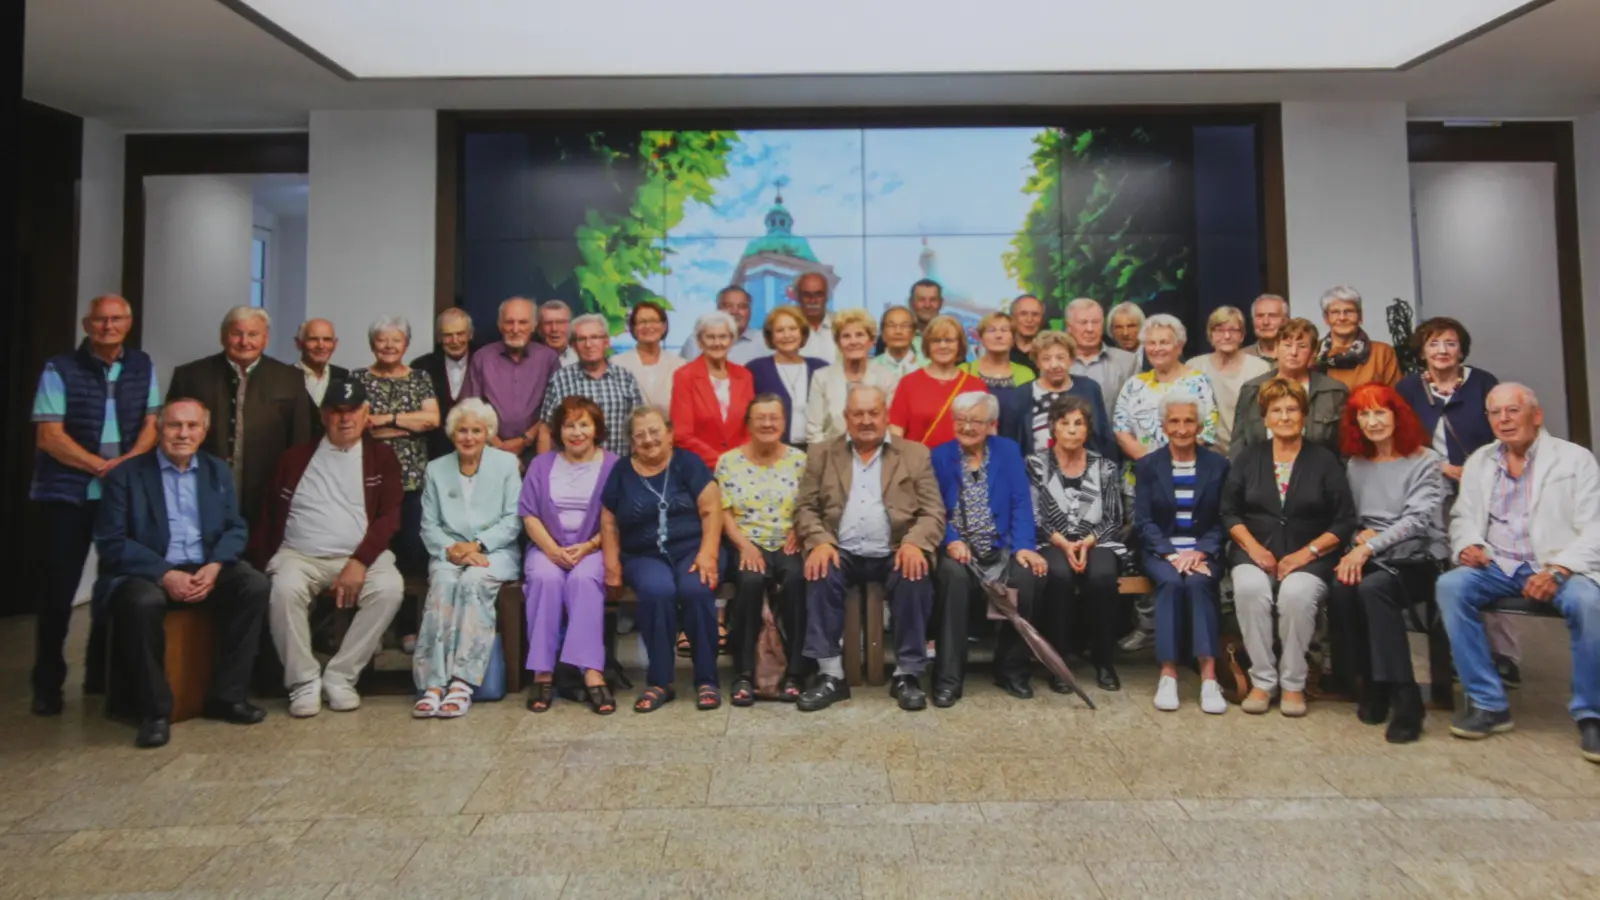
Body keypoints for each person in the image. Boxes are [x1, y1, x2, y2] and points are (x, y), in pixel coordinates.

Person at [1437, 383, 1600, 763]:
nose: (1504, 420)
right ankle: (1488, 703)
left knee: (1589, 603)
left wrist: (1559, 569)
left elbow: (1595, 527)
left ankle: (1591, 713)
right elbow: (1462, 517)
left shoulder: (1575, 459)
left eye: (1513, 410)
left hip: (1558, 564)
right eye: (1495, 413)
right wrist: (1469, 544)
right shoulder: (1481, 461)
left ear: (1536, 415)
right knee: (1451, 586)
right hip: (1499, 563)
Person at [94, 398, 269, 747]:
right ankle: (155, 712)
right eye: (175, 425)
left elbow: (235, 527)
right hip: (147, 571)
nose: (183, 434)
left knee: (255, 585)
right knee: (143, 603)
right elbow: (111, 542)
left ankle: (228, 696)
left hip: (205, 565)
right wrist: (164, 573)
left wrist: (216, 565)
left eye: (192, 426)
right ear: (160, 429)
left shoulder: (216, 471)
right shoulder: (125, 475)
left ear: (204, 431)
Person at [29, 294, 160, 716]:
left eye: (117, 319)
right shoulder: (59, 368)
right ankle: (47, 684)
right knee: (58, 592)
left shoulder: (142, 365)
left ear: (128, 323)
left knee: (114, 586)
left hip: (120, 497)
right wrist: (101, 467)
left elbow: (152, 424)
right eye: (100, 319)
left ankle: (100, 676)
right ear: (87, 325)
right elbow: (49, 436)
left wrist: (126, 465)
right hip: (66, 495)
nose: (108, 326)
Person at [251, 378, 406, 717]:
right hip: (300, 555)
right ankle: (303, 682)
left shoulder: (381, 457)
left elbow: (390, 517)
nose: (345, 418)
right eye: (336, 411)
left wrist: (359, 561)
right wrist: (262, 560)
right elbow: (268, 514)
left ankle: (340, 677)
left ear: (366, 413)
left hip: (360, 555)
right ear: (323, 416)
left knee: (389, 588)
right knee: (283, 589)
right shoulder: (295, 458)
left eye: (353, 410)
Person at [795, 384, 945, 712]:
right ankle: (830, 675)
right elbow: (805, 507)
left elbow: (933, 511)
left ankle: (907, 674)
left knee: (914, 575)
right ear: (846, 417)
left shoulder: (915, 454)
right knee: (819, 571)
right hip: (840, 548)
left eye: (873, 413)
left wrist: (915, 544)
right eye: (858, 414)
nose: (866, 420)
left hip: (895, 549)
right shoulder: (822, 453)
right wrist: (819, 541)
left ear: (886, 415)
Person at [1395, 316, 1520, 683]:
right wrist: (1442, 468)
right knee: (1447, 569)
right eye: (1433, 344)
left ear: (1461, 350)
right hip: (1430, 488)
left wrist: (1476, 469)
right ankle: (1454, 653)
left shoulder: (1483, 383)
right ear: (1422, 351)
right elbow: (1398, 437)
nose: (1442, 351)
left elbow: (1503, 432)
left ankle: (1503, 654)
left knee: (1490, 563)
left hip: (1484, 487)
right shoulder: (1408, 388)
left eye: (1450, 343)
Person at [1222, 377, 1357, 717]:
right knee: (1250, 589)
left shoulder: (1324, 461)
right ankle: (1263, 681)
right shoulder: (1249, 458)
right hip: (1254, 551)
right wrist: (1254, 549)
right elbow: (1228, 511)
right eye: (1277, 410)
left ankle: (1294, 683)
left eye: (1292, 409)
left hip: (1311, 555)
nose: (1285, 417)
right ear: (1265, 418)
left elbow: (1343, 521)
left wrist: (1305, 554)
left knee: (1296, 595)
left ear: (1304, 415)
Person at [1325, 385, 1446, 744]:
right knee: (1341, 588)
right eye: (1364, 414)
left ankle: (1406, 696)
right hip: (1372, 555)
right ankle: (1373, 682)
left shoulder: (1426, 461)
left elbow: (1417, 521)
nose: (1373, 421)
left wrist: (1367, 547)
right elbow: (1351, 518)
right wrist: (1358, 538)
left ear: (1397, 416)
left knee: (1374, 589)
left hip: (1418, 558)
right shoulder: (1356, 464)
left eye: (1380, 412)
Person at [601, 406, 725, 712]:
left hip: (694, 548)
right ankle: (660, 681)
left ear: (670, 434)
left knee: (695, 589)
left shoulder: (688, 463)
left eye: (655, 431)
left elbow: (711, 508)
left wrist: (708, 553)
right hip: (643, 554)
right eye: (639, 435)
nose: (648, 439)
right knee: (657, 590)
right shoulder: (621, 471)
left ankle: (707, 679)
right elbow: (608, 520)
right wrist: (612, 564)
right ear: (631, 441)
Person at [933, 394, 1047, 705]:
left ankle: (1011, 670)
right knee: (953, 579)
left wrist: (1024, 547)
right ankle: (948, 678)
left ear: (991, 425)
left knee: (1026, 576)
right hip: (959, 552)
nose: (967, 427)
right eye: (961, 420)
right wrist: (951, 539)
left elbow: (1021, 502)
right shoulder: (939, 456)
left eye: (975, 420)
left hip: (1001, 548)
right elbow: (932, 508)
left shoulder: (1007, 451)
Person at [412, 398, 522, 719]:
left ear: (488, 433)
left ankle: (462, 681)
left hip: (495, 551)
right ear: (452, 434)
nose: (469, 437)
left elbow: (513, 519)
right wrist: (453, 550)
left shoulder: (506, 464)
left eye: (477, 430)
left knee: (474, 583)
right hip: (450, 552)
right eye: (462, 430)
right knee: (443, 584)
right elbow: (429, 525)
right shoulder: (436, 469)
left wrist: (477, 545)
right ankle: (432, 684)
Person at [168, 306, 314, 523]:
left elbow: (300, 440)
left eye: (253, 334)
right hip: (200, 488)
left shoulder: (290, 378)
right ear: (222, 336)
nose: (245, 342)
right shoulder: (190, 376)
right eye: (237, 334)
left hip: (267, 491)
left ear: (265, 339)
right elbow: (169, 434)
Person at [520, 397, 619, 715]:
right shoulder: (541, 464)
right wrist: (552, 549)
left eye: (584, 425)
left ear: (596, 429)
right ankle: (542, 673)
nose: (577, 433)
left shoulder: (613, 465)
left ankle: (591, 671)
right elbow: (529, 514)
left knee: (584, 580)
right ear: (558, 431)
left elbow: (618, 518)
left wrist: (589, 546)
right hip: (547, 546)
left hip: (595, 547)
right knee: (544, 578)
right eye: (569, 425)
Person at [1135, 393, 1229, 714]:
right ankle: (1168, 673)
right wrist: (1172, 555)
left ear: (1200, 426)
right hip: (1161, 552)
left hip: (1204, 551)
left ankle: (1209, 678)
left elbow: (1224, 518)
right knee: (1172, 582)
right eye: (1174, 421)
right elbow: (1144, 521)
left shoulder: (1218, 465)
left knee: (1199, 583)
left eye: (1189, 421)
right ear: (1163, 426)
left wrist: (1200, 552)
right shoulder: (1148, 465)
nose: (1182, 428)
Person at [1027, 395, 1128, 693]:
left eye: (1079, 423)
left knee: (1102, 576)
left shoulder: (1105, 467)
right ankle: (1058, 662)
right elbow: (1032, 515)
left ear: (1088, 429)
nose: (1071, 430)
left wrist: (1087, 541)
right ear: (1052, 427)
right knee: (1058, 575)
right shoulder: (1035, 465)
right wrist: (1063, 543)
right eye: (1064, 422)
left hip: (1097, 541)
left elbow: (1114, 517)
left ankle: (1104, 660)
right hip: (1050, 541)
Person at [717, 395, 810, 705]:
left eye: (774, 418)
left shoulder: (800, 460)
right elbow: (723, 511)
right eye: (761, 418)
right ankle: (744, 673)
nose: (768, 424)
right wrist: (744, 545)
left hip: (788, 539)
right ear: (748, 424)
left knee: (797, 579)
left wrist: (799, 530)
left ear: (784, 423)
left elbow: (810, 503)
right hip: (746, 541)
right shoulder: (729, 461)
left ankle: (796, 672)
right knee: (750, 580)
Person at [354, 316, 440, 589]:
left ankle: (408, 615)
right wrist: (409, 426)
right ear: (372, 344)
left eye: (396, 340)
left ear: (406, 344)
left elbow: (433, 420)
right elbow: (361, 426)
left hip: (412, 478)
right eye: (382, 340)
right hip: (369, 477)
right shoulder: (357, 378)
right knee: (372, 545)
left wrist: (387, 419)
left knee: (412, 546)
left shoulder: (419, 378)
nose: (389, 346)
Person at [1112, 313, 1220, 496]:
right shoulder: (1133, 384)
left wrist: (1171, 465)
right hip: (1141, 482)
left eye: (1164, 342)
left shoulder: (1198, 382)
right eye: (1151, 343)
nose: (1157, 348)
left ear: (1179, 346)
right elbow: (1121, 431)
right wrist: (1152, 463)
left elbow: (1207, 429)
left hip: (1186, 479)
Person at [1231, 317, 1349, 460]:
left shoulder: (1334, 392)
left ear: (1313, 353)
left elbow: (1345, 449)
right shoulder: (1252, 390)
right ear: (1276, 349)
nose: (1294, 352)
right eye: (1287, 345)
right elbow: (1239, 445)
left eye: (1302, 346)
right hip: (1260, 471)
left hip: (1319, 471)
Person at [460, 297, 561, 461]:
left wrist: (525, 439)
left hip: (537, 451)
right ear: (500, 325)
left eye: (523, 322)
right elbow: (471, 407)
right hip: (489, 451)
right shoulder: (482, 358)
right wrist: (498, 445)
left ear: (534, 325)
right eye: (509, 322)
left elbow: (555, 408)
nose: (515, 329)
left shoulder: (549, 359)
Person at [535, 314, 644, 457]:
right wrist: (542, 467)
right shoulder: (560, 379)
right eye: (582, 339)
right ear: (573, 346)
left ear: (606, 342)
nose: (588, 344)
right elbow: (546, 430)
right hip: (572, 467)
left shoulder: (625, 378)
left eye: (595, 337)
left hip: (618, 466)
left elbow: (639, 425)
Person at [997, 330, 1114, 460]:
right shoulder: (1021, 395)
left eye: (1060, 358)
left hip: (1086, 468)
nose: (1054, 365)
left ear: (1071, 359)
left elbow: (1104, 437)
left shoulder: (1089, 389)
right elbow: (1009, 444)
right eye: (1046, 359)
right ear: (1037, 362)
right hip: (1033, 469)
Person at [889, 315, 988, 448]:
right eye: (936, 340)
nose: (943, 346)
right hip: (919, 460)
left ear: (960, 345)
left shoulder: (976, 386)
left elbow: (988, 433)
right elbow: (895, 433)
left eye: (949, 340)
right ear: (927, 345)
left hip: (962, 460)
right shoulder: (908, 383)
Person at [671, 311, 755, 469]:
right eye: (710, 337)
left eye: (723, 337)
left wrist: (738, 461)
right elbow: (682, 435)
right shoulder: (684, 376)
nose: (717, 343)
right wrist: (722, 462)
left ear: (732, 340)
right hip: (699, 468)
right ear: (699, 341)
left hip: (741, 467)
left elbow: (750, 428)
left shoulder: (744, 376)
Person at [806, 308, 899, 446]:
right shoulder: (821, 377)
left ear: (871, 341)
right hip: (831, 453)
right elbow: (814, 432)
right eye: (846, 336)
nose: (853, 341)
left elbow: (890, 426)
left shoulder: (887, 378)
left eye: (860, 335)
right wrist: (826, 457)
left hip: (877, 452)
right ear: (838, 343)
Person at [1187, 305, 1271, 456]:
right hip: (1205, 454)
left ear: (1242, 335)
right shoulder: (1194, 367)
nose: (1226, 336)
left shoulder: (1259, 368)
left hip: (1249, 453)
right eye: (1219, 330)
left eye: (1233, 330)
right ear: (1210, 334)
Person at [746, 306, 828, 449]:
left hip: (817, 450)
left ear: (802, 332)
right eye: (780, 330)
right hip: (772, 450)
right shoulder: (756, 369)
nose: (787, 335)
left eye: (792, 329)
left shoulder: (820, 368)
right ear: (771, 336)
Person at [411, 307, 478, 461]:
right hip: (433, 451)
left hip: (476, 449)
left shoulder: (483, 361)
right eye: (448, 335)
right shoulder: (421, 366)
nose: (455, 340)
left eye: (460, 334)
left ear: (470, 334)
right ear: (439, 338)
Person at [1315, 286, 1400, 390]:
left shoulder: (1382, 353)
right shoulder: (1314, 352)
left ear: (1360, 316)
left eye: (1349, 311)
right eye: (1335, 312)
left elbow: (1394, 396)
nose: (1342, 318)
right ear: (1326, 319)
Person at [1065, 297, 1138, 416]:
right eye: (1083, 323)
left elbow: (1136, 411)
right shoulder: (1056, 363)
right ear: (1069, 327)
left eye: (1095, 322)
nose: (1090, 329)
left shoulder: (1127, 362)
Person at [611, 300, 685, 410]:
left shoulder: (680, 365)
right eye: (642, 322)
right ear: (633, 328)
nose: (648, 326)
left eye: (653, 321)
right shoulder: (616, 364)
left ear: (663, 326)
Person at [681, 285, 764, 366]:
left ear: (750, 311)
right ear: (718, 309)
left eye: (742, 306)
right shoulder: (695, 341)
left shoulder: (764, 342)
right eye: (728, 306)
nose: (735, 311)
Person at [960, 311, 1036, 390]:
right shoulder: (963, 371)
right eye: (991, 330)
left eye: (1004, 330)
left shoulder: (1026, 374)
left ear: (1013, 338)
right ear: (981, 338)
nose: (998, 335)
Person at [293, 318, 347, 407]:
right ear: (298, 343)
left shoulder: (345, 377)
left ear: (335, 344)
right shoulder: (284, 378)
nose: (321, 346)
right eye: (313, 339)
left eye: (327, 339)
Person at [872, 305, 925, 379]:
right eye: (891, 325)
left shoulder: (927, 368)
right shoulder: (870, 368)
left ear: (913, 334)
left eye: (905, 325)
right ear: (883, 333)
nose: (898, 331)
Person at [793, 272, 836, 361]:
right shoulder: (784, 328)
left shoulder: (841, 326)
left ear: (827, 296)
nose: (813, 301)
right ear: (797, 296)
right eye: (807, 295)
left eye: (819, 295)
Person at [1243, 294, 1289, 361]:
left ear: (1285, 320)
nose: (1266, 322)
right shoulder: (1241, 358)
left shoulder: (1296, 355)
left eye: (1272, 316)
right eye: (1260, 316)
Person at [1009, 294, 1046, 374]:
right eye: (1023, 314)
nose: (1029, 320)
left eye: (1035, 314)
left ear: (1042, 319)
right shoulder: (1001, 350)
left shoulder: (1050, 350)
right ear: (1012, 317)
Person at [537, 299, 578, 367]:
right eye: (548, 323)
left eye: (561, 322)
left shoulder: (582, 360)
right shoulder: (529, 362)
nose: (554, 329)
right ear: (539, 328)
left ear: (571, 326)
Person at [1106, 301, 1148, 366]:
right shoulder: (1105, 362)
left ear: (1142, 327)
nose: (1125, 333)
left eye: (1131, 326)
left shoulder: (1156, 356)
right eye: (1119, 327)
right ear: (1111, 331)